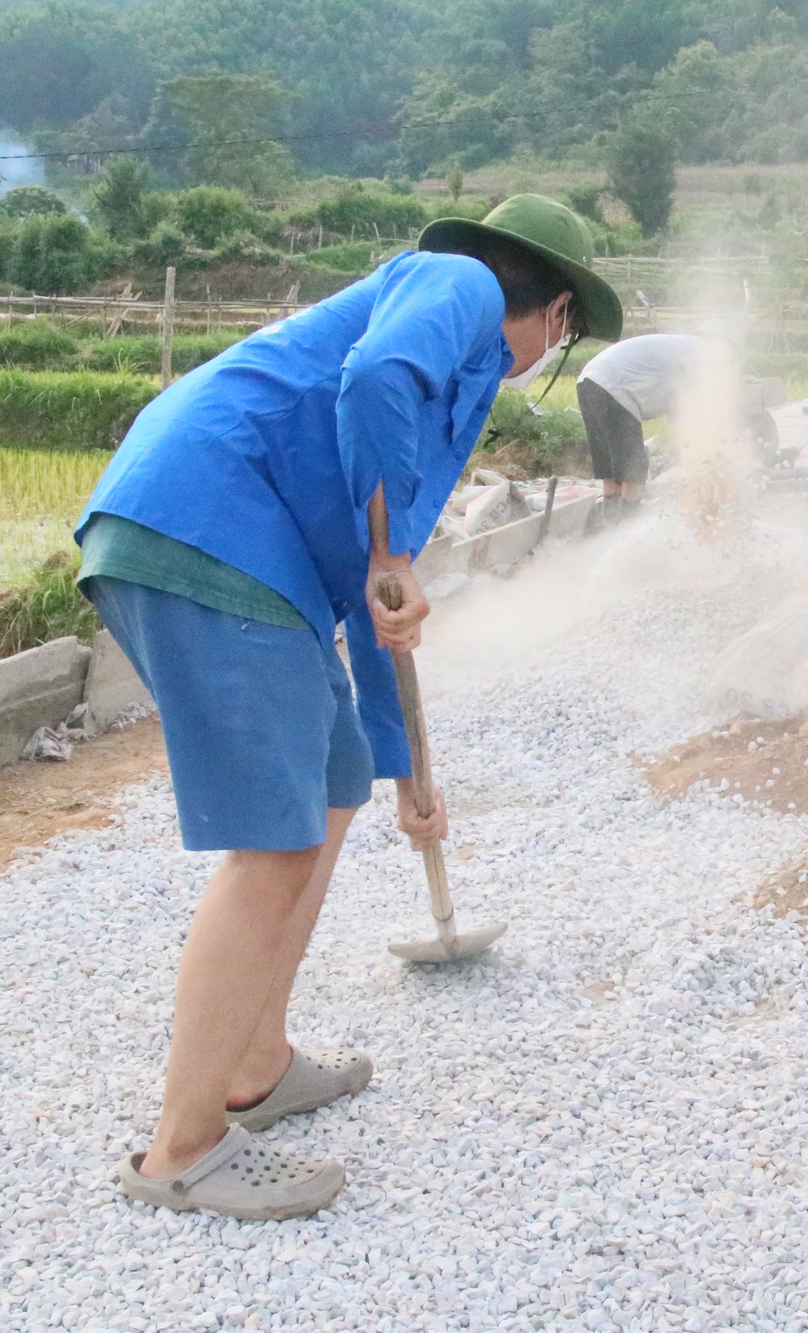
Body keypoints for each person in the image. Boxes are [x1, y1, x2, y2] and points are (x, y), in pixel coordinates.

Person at [77, 195, 621, 1220]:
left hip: (252, 556)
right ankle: (181, 1150)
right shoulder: (453, 286)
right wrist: (389, 554)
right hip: (207, 526)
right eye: (567, 330)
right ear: (552, 310)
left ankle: (258, 1065)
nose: (556, 346)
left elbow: (384, 603)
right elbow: (374, 411)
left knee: (331, 785)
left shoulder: (449, 394)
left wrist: (408, 772)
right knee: (274, 841)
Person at [575, 330, 734, 521]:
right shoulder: (702, 352)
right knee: (633, 469)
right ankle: (626, 525)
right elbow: (690, 408)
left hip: (588, 380)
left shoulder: (680, 345)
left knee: (611, 468)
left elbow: (678, 407)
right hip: (615, 386)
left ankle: (606, 523)